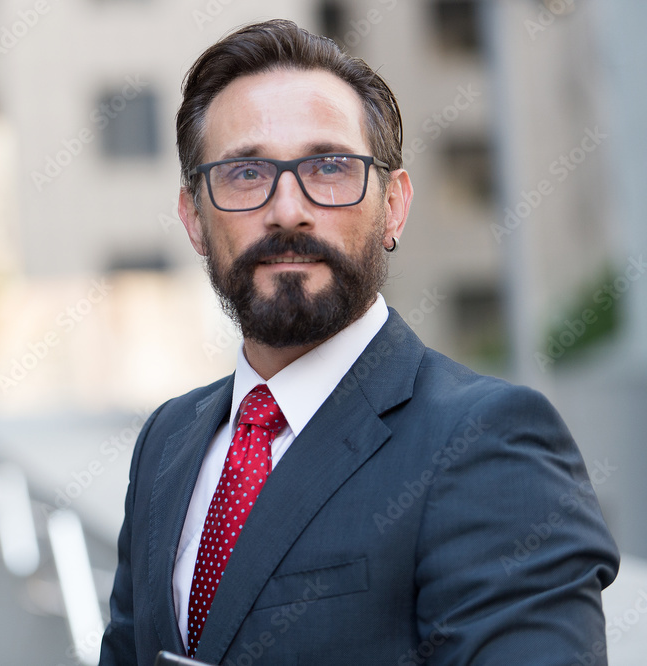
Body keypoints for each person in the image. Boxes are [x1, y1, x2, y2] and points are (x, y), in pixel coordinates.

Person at [99, 19, 619, 666]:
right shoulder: (166, 443)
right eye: (244, 172)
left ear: (393, 207)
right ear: (193, 219)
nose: (288, 209)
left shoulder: (489, 443)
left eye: (331, 166)